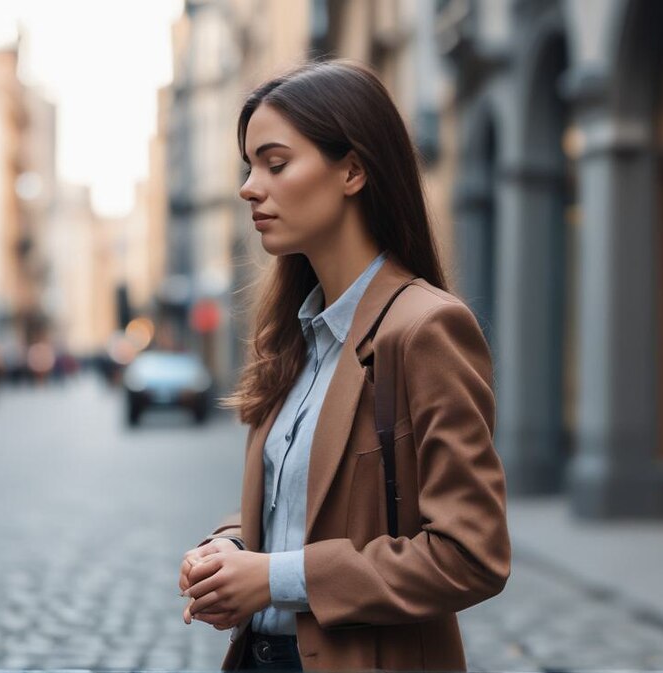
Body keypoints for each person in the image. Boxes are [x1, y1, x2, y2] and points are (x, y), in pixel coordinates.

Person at [177, 59, 511, 672]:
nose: (252, 186)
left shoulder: (425, 329)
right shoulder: (295, 337)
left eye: (276, 164)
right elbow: (306, 509)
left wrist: (274, 578)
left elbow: (472, 554)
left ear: (353, 170)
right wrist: (230, 547)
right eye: (250, 166)